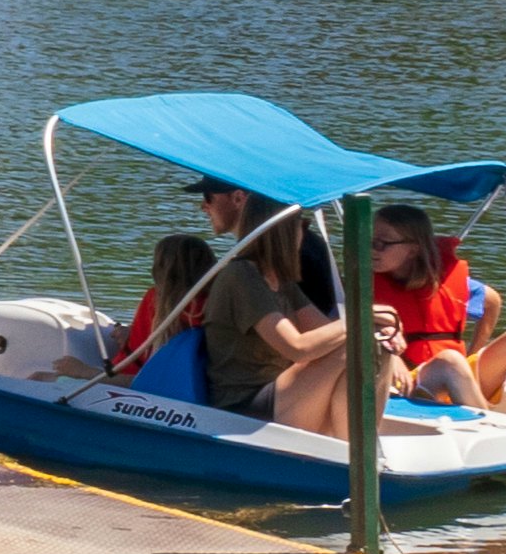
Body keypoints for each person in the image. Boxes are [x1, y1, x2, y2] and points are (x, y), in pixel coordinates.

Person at [187, 182, 387, 434]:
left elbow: (327, 333)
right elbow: (297, 348)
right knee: (358, 347)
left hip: (281, 395)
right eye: (300, 226)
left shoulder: (282, 281)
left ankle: (354, 446)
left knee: (374, 345)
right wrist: (360, 320)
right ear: (282, 230)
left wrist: (380, 327)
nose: (303, 234)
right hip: (244, 404)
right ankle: (348, 454)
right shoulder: (241, 276)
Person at [370, 201, 506, 414]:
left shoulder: (443, 278)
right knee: (450, 361)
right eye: (370, 241)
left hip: (456, 375)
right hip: (404, 384)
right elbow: (349, 327)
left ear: (413, 250)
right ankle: (491, 428)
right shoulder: (361, 284)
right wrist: (392, 357)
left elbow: (491, 301)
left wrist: (473, 351)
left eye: (383, 243)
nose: (373, 249)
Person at [108, 231, 218, 382]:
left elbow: (141, 371)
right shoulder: (211, 305)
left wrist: (84, 372)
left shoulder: (155, 299)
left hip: (130, 378)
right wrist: (132, 333)